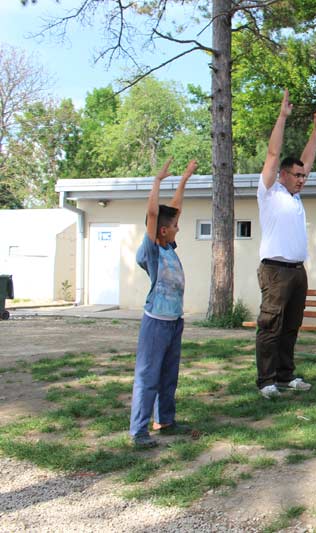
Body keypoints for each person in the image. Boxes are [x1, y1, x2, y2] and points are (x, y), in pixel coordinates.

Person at [256, 89, 316, 398]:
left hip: (297, 270)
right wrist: (282, 117)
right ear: (282, 174)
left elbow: (307, 161)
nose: (302, 179)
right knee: (271, 325)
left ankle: (285, 376)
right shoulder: (270, 191)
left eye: (304, 176)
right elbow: (272, 154)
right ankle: (266, 381)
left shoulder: (295, 196)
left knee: (291, 327)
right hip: (275, 269)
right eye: (297, 175)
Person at [129, 157, 197, 448]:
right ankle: (139, 431)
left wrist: (184, 179)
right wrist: (157, 182)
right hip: (155, 323)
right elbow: (153, 214)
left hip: (174, 323)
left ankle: (164, 420)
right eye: (173, 226)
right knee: (148, 377)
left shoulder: (169, 245)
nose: (178, 228)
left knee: (169, 375)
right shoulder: (152, 252)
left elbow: (173, 211)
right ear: (162, 231)